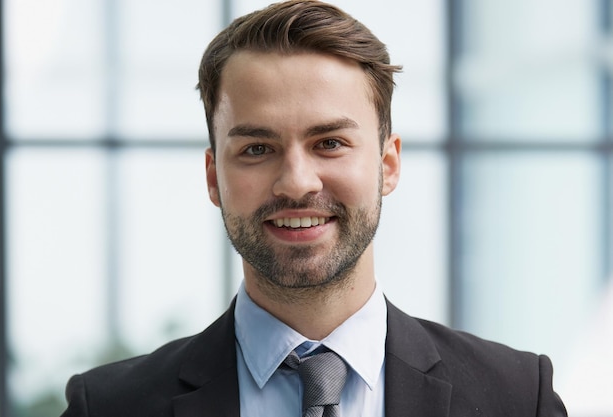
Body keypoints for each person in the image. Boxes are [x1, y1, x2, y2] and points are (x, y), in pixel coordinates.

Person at [60, 1, 567, 416]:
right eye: (257, 148)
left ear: (388, 165)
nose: (297, 184)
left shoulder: (520, 398)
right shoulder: (107, 407)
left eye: (329, 143)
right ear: (215, 177)